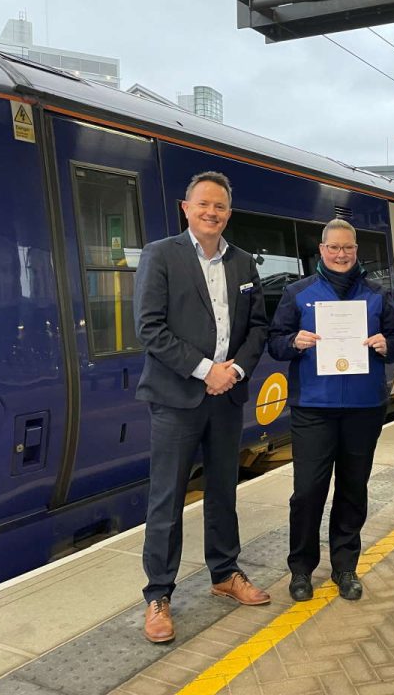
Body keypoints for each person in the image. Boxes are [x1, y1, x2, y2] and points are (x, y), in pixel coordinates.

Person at [134, 171, 270, 644]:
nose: (212, 212)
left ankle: (224, 572)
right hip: (177, 398)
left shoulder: (244, 263)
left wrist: (232, 372)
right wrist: (204, 369)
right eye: (204, 205)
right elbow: (149, 329)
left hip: (227, 397)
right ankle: (158, 595)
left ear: (228, 214)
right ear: (186, 208)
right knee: (167, 498)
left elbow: (258, 328)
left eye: (220, 206)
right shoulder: (161, 255)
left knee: (223, 490)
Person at [268, 218, 394, 602]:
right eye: (334, 248)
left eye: (348, 248)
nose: (341, 254)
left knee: (353, 489)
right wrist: (293, 341)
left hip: (364, 407)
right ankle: (301, 569)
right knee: (308, 491)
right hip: (313, 408)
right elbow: (275, 343)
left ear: (356, 251)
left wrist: (386, 344)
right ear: (322, 251)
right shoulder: (298, 293)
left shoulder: (378, 294)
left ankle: (345, 567)